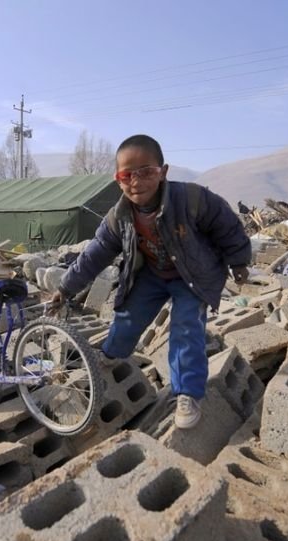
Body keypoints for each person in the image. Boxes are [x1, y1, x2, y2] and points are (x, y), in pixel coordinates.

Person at [51, 134, 251, 429]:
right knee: (128, 316)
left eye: (146, 172)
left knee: (185, 330)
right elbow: (94, 254)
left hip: (192, 277)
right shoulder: (118, 217)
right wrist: (65, 288)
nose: (136, 181)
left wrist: (239, 262)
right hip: (152, 274)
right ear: (117, 180)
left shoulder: (192, 199)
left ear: (163, 172)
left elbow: (227, 225)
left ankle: (186, 393)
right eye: (127, 175)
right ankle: (111, 354)